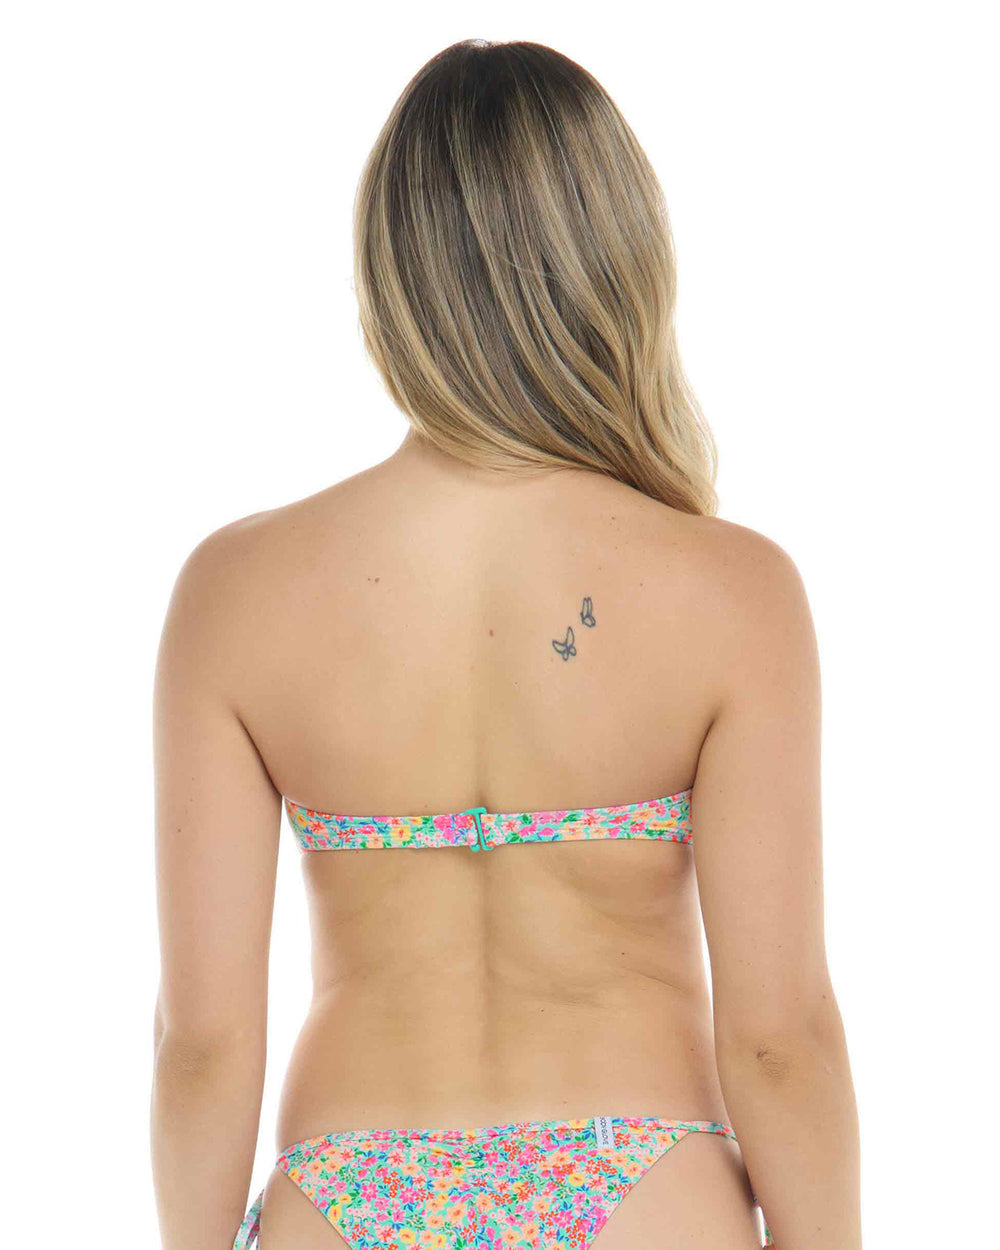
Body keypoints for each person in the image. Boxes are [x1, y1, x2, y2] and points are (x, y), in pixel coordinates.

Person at [151, 38, 862, 1250]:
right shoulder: (733, 591)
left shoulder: (237, 591)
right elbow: (777, 1038)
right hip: (644, 1185)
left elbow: (203, 1042)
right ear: (620, 260)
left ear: (390, 271)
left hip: (350, 1183)